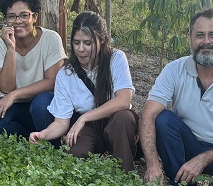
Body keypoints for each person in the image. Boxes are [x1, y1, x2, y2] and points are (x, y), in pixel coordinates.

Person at [140, 8, 213, 186]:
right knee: (163, 119)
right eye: (200, 35)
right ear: (190, 38)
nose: (206, 42)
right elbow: (148, 114)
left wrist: (203, 159)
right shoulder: (173, 69)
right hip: (188, 145)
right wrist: (153, 165)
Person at [29, 11, 138, 171]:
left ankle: (125, 173)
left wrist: (83, 118)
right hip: (91, 128)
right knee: (74, 154)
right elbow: (61, 122)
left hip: (117, 124)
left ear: (102, 40)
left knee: (123, 118)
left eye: (88, 43)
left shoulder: (116, 58)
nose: (81, 49)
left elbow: (124, 100)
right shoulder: (66, 74)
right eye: (76, 42)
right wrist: (43, 134)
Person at [0, 0, 64, 137]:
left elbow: (53, 82)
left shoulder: (51, 38)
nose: (18, 21)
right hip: (17, 106)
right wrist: (10, 49)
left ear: (34, 17)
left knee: (41, 103)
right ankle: (28, 140)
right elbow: (6, 88)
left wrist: (15, 95)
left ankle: (50, 146)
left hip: (45, 104)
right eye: (12, 16)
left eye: (24, 15)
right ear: (6, 19)